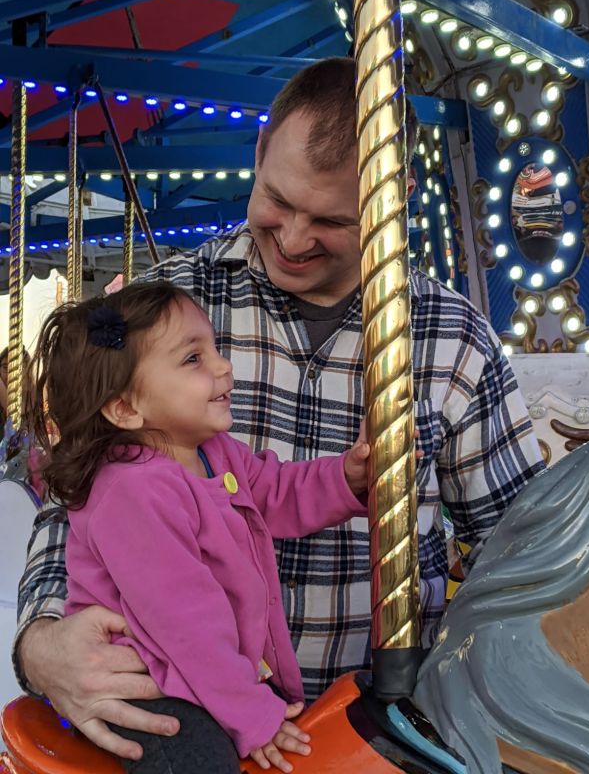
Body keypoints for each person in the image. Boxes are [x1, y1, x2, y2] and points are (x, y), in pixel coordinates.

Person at [14, 57, 545, 762]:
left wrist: (353, 483)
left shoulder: (453, 339)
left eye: (331, 220)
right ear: (260, 151)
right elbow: (75, 504)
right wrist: (43, 641)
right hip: (195, 702)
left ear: (396, 198)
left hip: (381, 723)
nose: (293, 240)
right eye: (278, 201)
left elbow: (520, 548)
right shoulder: (161, 319)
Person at [27, 281, 369, 773]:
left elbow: (277, 490)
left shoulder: (213, 453)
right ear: (126, 408)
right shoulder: (132, 492)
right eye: (193, 359)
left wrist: (347, 478)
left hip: (203, 677)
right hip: (152, 689)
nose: (223, 366)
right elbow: (188, 625)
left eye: (214, 348)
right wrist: (252, 712)